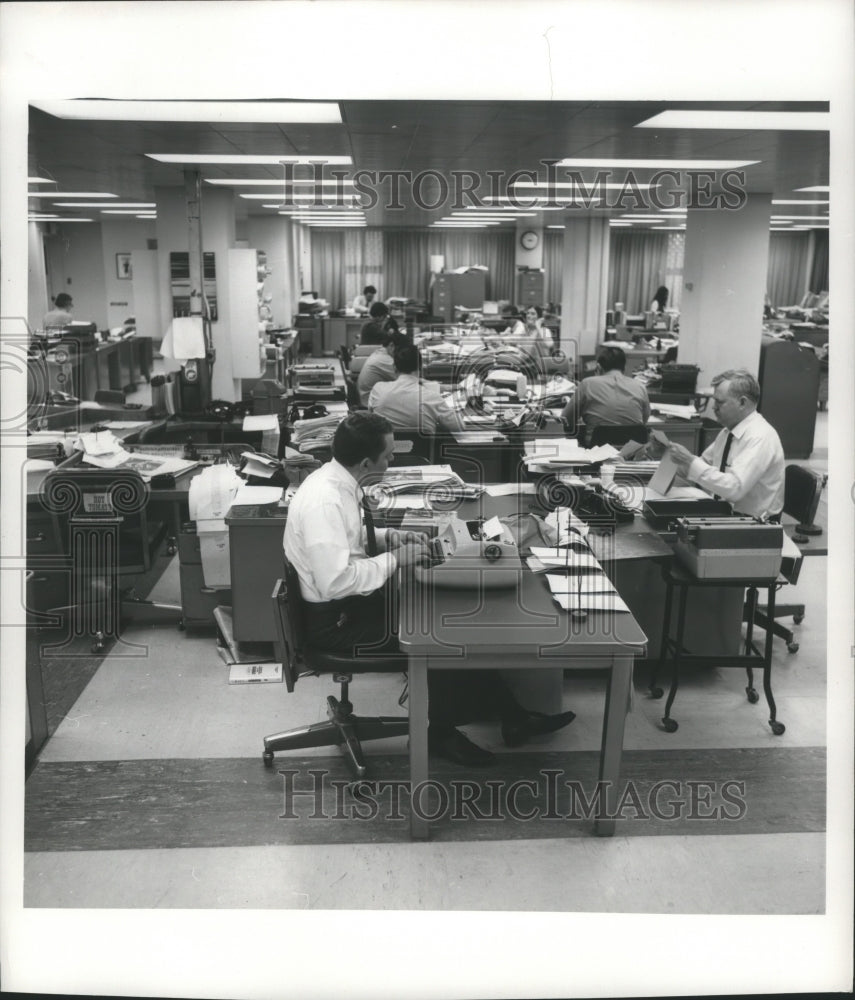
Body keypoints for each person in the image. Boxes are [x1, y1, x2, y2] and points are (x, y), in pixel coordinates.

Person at [283, 411, 576, 766]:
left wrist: (388, 536)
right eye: (388, 456)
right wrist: (397, 559)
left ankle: (514, 718)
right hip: (339, 624)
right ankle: (440, 735)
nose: (392, 462)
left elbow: (347, 542)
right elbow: (335, 580)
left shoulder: (337, 482)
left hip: (348, 606)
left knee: (457, 617)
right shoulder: (324, 500)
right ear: (365, 462)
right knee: (442, 633)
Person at [666, 369, 784, 521]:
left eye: (719, 402)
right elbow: (702, 464)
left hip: (754, 524)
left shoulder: (760, 436)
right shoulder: (729, 431)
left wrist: (689, 461)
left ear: (742, 403)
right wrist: (671, 454)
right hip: (730, 515)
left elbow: (734, 489)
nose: (714, 408)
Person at [368, 344, 467, 435]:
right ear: (420, 367)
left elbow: (372, 418)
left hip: (386, 452)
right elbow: (459, 426)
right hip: (424, 454)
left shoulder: (378, 389)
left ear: (394, 368)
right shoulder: (432, 397)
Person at [561, 346, 650, 443]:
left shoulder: (587, 383)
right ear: (624, 368)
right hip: (632, 451)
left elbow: (566, 419)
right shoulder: (640, 386)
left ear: (598, 367)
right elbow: (643, 421)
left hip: (596, 450)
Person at [355, 329, 408, 407]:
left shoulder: (381, 353)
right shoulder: (385, 360)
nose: (402, 353)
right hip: (370, 403)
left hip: (371, 397)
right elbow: (408, 379)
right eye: (401, 350)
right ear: (392, 345)